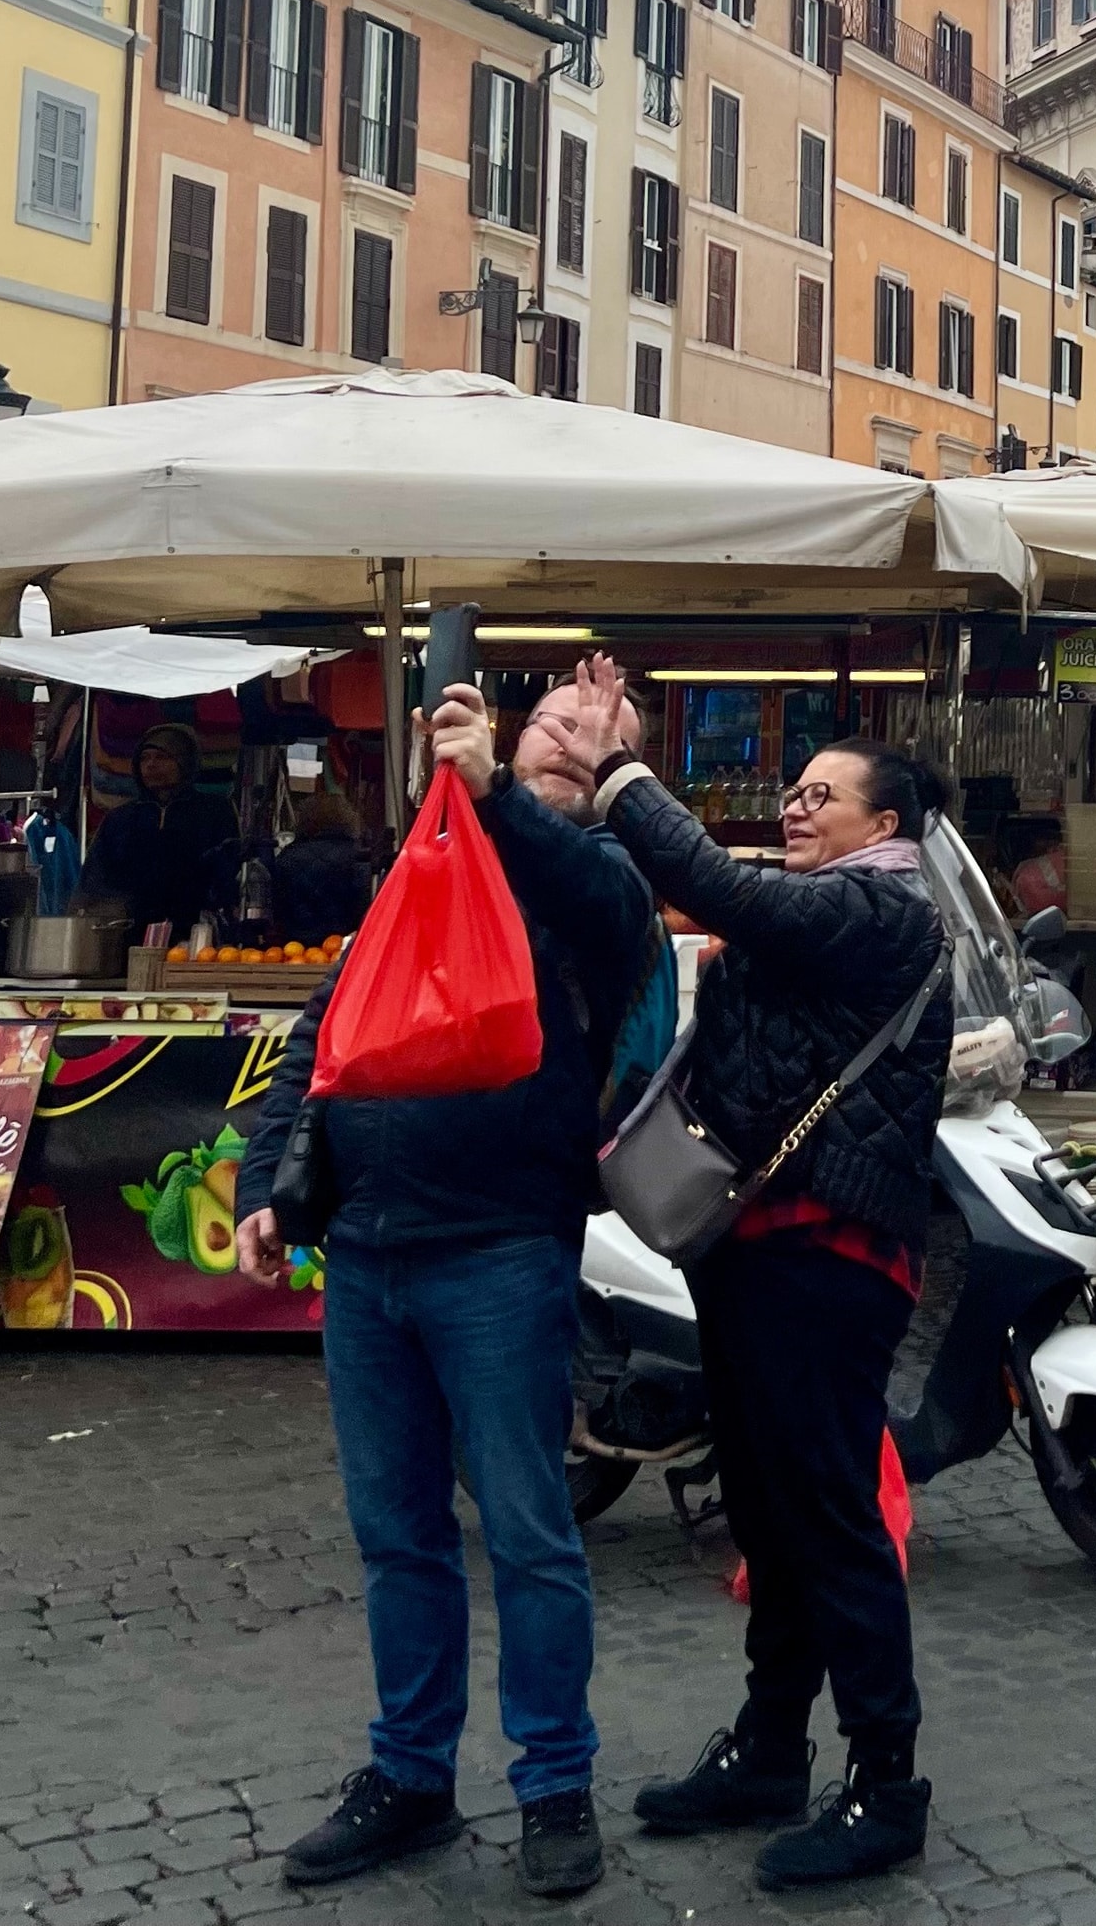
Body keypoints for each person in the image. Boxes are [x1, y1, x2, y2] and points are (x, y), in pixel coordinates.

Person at [233, 678, 662, 1901]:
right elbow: (322, 1033)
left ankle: (554, 1782)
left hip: (498, 1251)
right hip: (366, 1254)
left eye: (581, 750)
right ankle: (411, 1775)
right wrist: (270, 1185)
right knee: (397, 1536)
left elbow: (607, 903)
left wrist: (501, 802)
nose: (550, 754)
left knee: (528, 1534)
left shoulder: (593, 884)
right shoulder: (418, 870)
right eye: (540, 738)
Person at [558, 659, 953, 1893]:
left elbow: (715, 884)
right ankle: (772, 1748)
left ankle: (887, 1783)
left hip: (829, 1260)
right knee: (772, 1515)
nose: (797, 805)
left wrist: (621, 772)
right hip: (753, 1245)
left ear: (881, 828)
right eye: (793, 787)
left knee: (829, 1514)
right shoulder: (816, 908)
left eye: (823, 795)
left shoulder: (884, 912)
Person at [91, 722, 239, 936]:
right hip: (129, 933)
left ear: (185, 763)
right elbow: (97, 876)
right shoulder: (121, 818)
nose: (151, 765)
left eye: (162, 757)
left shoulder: (214, 812)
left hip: (195, 932)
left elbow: (227, 871)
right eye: (144, 758)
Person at [269, 781, 376, 946]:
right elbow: (364, 902)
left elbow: (278, 907)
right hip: (344, 945)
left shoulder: (288, 857)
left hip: (296, 947)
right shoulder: (357, 856)